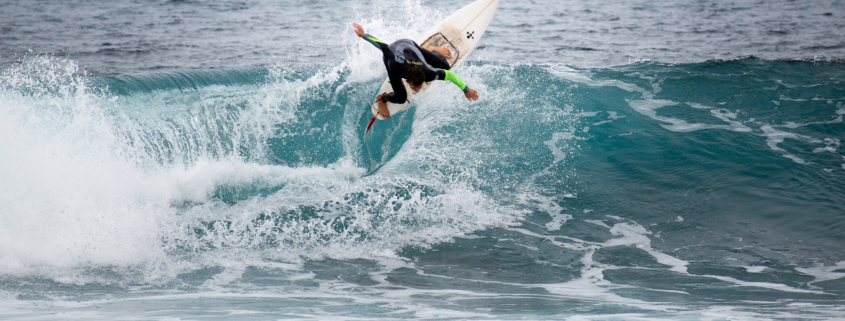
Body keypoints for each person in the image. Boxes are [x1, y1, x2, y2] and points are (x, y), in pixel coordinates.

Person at [352, 23, 479, 119]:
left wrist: (466, 89)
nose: (418, 90)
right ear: (407, 81)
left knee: (445, 66)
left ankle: (432, 50)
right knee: (401, 98)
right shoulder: (395, 64)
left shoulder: (428, 73)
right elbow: (383, 46)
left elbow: (450, 75)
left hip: (411, 45)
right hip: (396, 52)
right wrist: (364, 35)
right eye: (416, 87)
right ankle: (383, 99)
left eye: (419, 86)